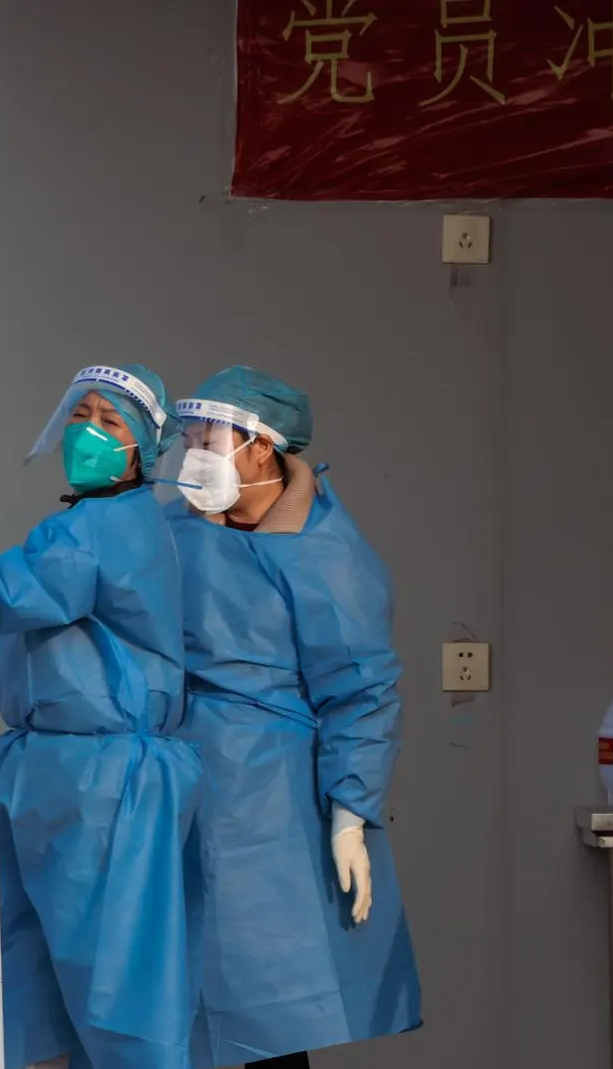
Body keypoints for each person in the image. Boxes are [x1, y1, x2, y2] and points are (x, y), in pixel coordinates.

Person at [167, 366, 422, 1068]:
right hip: (170, 795)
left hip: (270, 818)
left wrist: (349, 815)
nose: (195, 452)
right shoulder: (177, 531)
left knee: (264, 1018)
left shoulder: (324, 553)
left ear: (261, 448)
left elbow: (363, 690)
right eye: (187, 436)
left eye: (209, 436)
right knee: (168, 1014)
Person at [0, 365, 201, 1069]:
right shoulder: (87, 523)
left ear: (144, 451)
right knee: (32, 987)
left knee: (112, 990)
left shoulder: (106, 526)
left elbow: (15, 591)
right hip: (59, 774)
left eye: (111, 420)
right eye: (81, 412)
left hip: (101, 786)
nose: (89, 429)